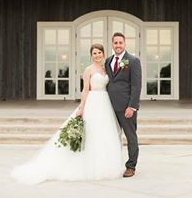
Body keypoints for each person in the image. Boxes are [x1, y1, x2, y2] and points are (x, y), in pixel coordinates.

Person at [11, 44, 123, 184]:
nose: (97, 55)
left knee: (103, 134)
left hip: (105, 102)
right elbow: (85, 89)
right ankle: (87, 166)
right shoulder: (88, 70)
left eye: (99, 52)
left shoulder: (107, 69)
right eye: (94, 53)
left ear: (103, 53)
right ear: (91, 55)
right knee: (91, 132)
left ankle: (105, 165)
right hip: (93, 102)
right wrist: (82, 107)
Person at [105, 32, 142, 178]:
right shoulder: (108, 61)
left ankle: (131, 166)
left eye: (120, 43)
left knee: (130, 137)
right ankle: (112, 164)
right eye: (115, 43)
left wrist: (132, 106)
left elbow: (136, 86)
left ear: (124, 44)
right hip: (109, 107)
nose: (118, 45)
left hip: (126, 107)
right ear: (112, 44)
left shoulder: (132, 61)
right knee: (112, 137)